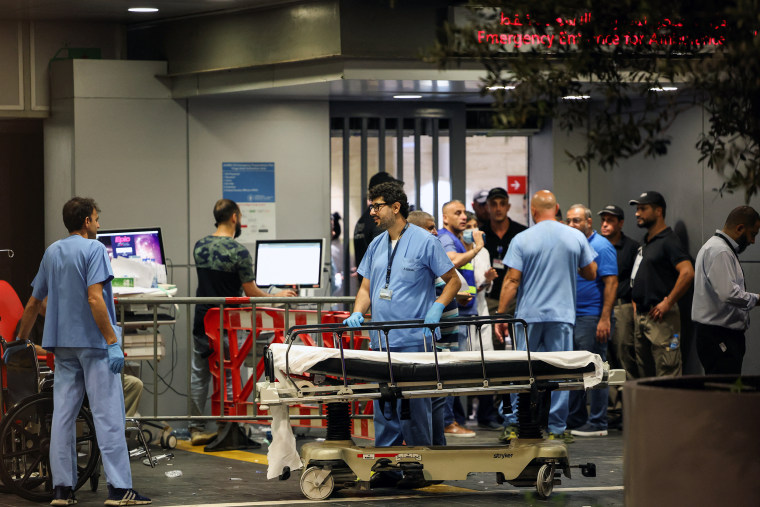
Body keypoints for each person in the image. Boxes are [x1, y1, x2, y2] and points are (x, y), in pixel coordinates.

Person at [14, 197, 151, 506]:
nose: (99, 224)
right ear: (87, 221)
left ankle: (62, 490)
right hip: (94, 345)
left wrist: (19, 341)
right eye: (97, 218)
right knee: (108, 415)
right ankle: (119, 489)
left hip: (62, 346)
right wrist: (112, 342)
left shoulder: (52, 252)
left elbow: (35, 302)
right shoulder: (94, 250)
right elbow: (95, 299)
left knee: (63, 417)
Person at [343, 182, 458, 457]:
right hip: (382, 343)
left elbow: (453, 281)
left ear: (396, 207)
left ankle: (422, 463)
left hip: (415, 341)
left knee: (416, 409)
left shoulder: (425, 241)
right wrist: (357, 311)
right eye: (371, 206)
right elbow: (365, 288)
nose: (373, 212)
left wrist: (437, 308)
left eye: (377, 206)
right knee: (385, 408)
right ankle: (387, 463)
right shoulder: (376, 244)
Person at [190, 199, 296, 445]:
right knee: (227, 374)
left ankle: (195, 427)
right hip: (226, 321)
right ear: (235, 217)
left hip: (202, 319)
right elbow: (250, 291)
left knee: (200, 374)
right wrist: (275, 296)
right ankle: (228, 426)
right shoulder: (238, 252)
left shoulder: (200, 246)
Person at [494, 190, 597, 442]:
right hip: (562, 316)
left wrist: (500, 316)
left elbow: (512, 280)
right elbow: (591, 273)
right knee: (560, 372)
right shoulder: (576, 236)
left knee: (518, 370)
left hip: (527, 317)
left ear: (533, 211)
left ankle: (512, 424)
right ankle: (556, 429)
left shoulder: (522, 238)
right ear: (557, 207)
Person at [565, 204, 618, 437]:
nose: (572, 225)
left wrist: (604, 318)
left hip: (592, 316)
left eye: (576, 221)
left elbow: (611, 283)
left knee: (595, 367)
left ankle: (598, 422)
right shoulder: (573, 245)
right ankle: (576, 419)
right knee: (575, 370)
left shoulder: (601, 246)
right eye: (569, 221)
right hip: (573, 317)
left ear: (589, 222)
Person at [629, 191, 694, 377]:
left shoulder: (669, 240)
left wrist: (668, 302)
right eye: (637, 209)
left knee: (668, 372)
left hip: (661, 320)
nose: (637, 213)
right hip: (642, 316)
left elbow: (688, 272)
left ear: (658, 211)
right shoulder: (646, 241)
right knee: (645, 376)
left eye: (642, 208)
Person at [692, 206, 760, 374]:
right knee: (722, 392)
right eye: (753, 234)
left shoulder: (717, 248)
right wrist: (757, 299)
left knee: (721, 391)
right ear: (740, 228)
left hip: (717, 335)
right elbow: (728, 293)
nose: (753, 241)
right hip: (720, 336)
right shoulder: (720, 250)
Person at [437, 200, 481, 438]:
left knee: (454, 372)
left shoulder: (457, 239)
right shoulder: (445, 238)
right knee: (449, 370)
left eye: (464, 212)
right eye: (458, 213)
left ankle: (452, 419)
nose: (463, 216)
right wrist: (477, 248)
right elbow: (451, 261)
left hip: (463, 311)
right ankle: (447, 422)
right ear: (445, 218)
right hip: (454, 315)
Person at [464, 212, 502, 430]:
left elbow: (485, 288)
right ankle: (463, 414)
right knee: (464, 364)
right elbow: (466, 289)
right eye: (469, 226)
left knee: (487, 363)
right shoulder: (458, 252)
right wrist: (482, 283)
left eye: (475, 225)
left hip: (482, 310)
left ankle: (486, 414)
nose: (473, 230)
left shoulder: (484, 252)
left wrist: (488, 281)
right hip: (465, 313)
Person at [598, 204, 640, 379]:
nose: (605, 224)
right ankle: (613, 404)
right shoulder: (597, 245)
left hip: (622, 307)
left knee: (624, 353)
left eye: (610, 220)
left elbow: (636, 280)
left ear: (620, 223)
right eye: (603, 220)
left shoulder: (631, 247)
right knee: (604, 357)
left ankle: (629, 400)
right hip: (600, 308)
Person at [481, 187, 527, 317]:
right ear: (488, 207)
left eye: (502, 204)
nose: (498, 208)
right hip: (490, 298)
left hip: (517, 298)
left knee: (520, 336)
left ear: (508, 206)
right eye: (494, 204)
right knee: (493, 336)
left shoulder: (521, 233)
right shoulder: (481, 234)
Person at [353, 172, 402, 283]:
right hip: (380, 288)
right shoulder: (379, 220)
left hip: (368, 286)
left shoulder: (363, 220)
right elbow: (384, 258)